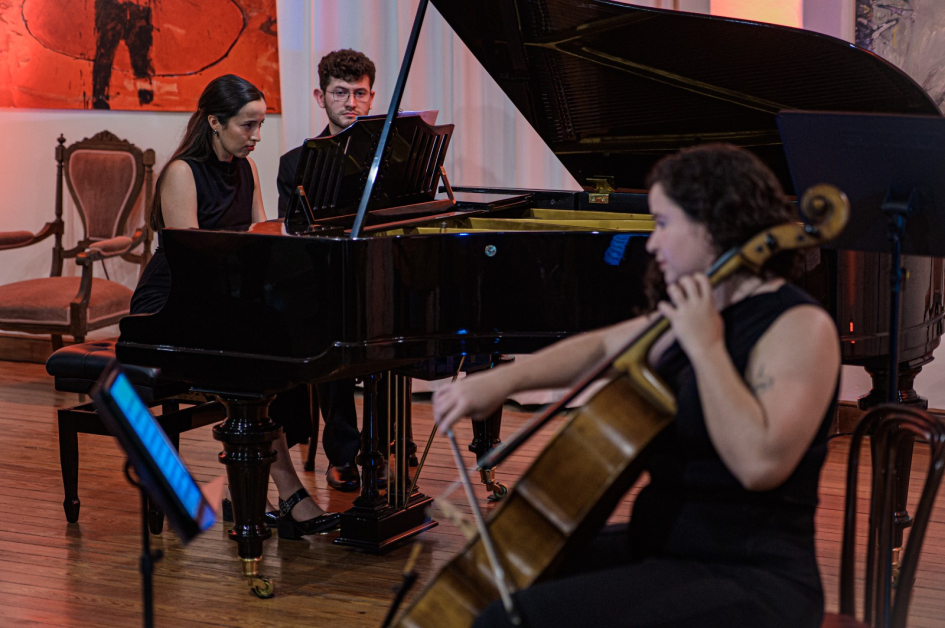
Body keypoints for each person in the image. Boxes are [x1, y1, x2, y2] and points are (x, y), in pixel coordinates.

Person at [433, 144, 841, 627]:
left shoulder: (799, 327)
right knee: (489, 578)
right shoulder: (699, 309)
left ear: (713, 224)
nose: (652, 243)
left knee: (507, 621)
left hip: (751, 577)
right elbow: (600, 349)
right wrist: (498, 382)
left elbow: (760, 465)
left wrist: (706, 348)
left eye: (664, 224)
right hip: (663, 544)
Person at [127, 74, 340, 539]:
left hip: (223, 294)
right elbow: (192, 266)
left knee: (286, 344)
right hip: (170, 301)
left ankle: (260, 490)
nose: (257, 137)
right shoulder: (183, 172)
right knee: (259, 357)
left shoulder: (245, 168)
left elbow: (259, 237)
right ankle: (288, 492)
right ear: (214, 123)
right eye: (248, 126)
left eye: (260, 125)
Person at [277, 49, 378, 492]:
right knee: (331, 344)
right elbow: (292, 236)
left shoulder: (388, 157)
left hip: (378, 275)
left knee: (391, 343)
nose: (350, 103)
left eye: (360, 93)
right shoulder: (294, 164)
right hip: (322, 281)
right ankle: (344, 455)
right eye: (341, 93)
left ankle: (380, 445)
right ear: (321, 96)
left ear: (372, 97)